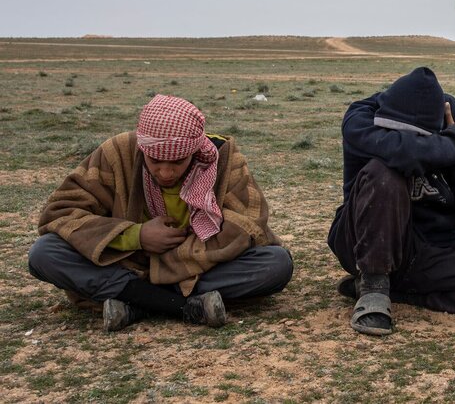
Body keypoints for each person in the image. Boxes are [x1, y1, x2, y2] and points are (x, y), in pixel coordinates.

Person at [28, 94, 293, 332]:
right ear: (143, 148)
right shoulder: (117, 153)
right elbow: (61, 212)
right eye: (154, 161)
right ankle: (183, 305)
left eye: (178, 162)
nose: (166, 172)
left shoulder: (222, 157)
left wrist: (177, 256)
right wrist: (137, 236)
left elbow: (248, 222)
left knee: (275, 264)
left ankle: (137, 301)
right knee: (44, 253)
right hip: (128, 264)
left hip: (197, 265)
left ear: (194, 150)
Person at [327, 67, 455, 336]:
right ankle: (374, 287)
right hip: (363, 241)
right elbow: (403, 153)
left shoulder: (446, 117)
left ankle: (399, 292)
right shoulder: (361, 119)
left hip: (431, 247)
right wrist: (454, 139)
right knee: (383, 172)